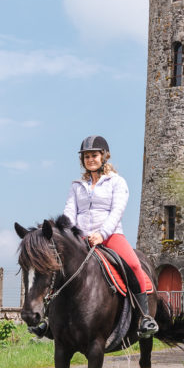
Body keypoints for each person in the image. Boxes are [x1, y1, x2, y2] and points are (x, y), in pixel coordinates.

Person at [63, 135, 159, 336]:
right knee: (58, 266)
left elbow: (117, 211)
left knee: (133, 265)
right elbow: (69, 213)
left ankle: (145, 317)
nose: (90, 159)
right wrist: (68, 234)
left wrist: (101, 234)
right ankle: (49, 318)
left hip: (110, 234)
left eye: (94, 155)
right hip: (81, 238)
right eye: (87, 156)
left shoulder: (117, 182)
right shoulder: (76, 186)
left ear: (104, 156)